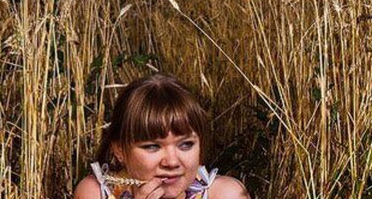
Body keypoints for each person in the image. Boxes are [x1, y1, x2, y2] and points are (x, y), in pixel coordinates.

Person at [73, 74, 250, 199]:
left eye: (186, 144)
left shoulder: (226, 194)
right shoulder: (95, 193)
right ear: (120, 150)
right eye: (152, 146)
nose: (172, 162)